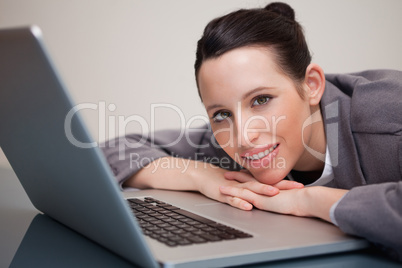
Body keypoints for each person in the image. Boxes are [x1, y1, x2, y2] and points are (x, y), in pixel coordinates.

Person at [102, 2, 402, 261]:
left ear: (311, 85)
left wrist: (308, 201)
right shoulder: (226, 143)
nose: (243, 138)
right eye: (221, 114)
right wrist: (203, 176)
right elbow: (113, 151)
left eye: (261, 100)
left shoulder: (390, 117)